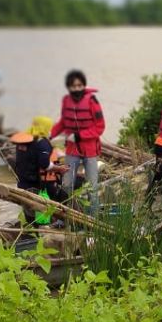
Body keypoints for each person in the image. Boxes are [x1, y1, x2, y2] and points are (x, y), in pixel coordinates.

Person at [50, 69, 105, 214]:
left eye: (79, 85)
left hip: (90, 149)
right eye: (73, 86)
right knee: (66, 184)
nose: (76, 89)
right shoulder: (66, 101)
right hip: (72, 150)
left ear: (84, 85)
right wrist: (49, 134)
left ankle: (93, 219)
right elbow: (63, 122)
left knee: (92, 186)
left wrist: (80, 136)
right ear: (68, 87)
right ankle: (65, 218)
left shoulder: (92, 101)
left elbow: (100, 127)